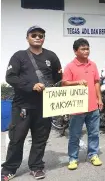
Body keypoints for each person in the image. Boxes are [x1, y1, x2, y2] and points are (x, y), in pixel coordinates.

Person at [1, 26, 62, 180]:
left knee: (40, 138)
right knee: (16, 138)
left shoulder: (51, 56)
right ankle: (9, 169)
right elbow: (11, 77)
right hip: (23, 106)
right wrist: (31, 86)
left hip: (44, 106)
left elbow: (57, 77)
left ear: (43, 38)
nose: (37, 37)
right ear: (27, 37)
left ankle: (36, 167)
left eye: (40, 35)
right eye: (34, 35)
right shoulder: (19, 56)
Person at [62, 38, 103, 170]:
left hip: (92, 106)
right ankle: (73, 158)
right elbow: (65, 83)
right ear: (75, 51)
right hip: (77, 107)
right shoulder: (70, 66)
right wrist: (77, 82)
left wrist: (99, 99)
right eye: (83, 49)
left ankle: (93, 155)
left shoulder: (93, 65)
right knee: (75, 135)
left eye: (87, 48)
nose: (86, 51)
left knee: (94, 133)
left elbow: (96, 82)